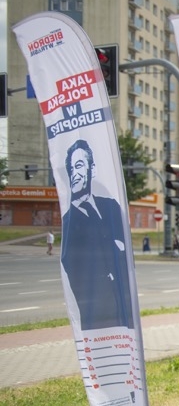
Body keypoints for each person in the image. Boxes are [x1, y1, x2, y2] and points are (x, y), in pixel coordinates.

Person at [60, 139, 134, 330]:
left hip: (125, 310)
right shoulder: (69, 222)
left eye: (79, 166)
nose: (74, 173)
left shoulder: (110, 207)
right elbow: (73, 266)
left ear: (92, 170)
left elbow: (126, 252)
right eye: (70, 168)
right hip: (96, 316)